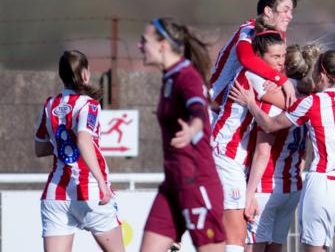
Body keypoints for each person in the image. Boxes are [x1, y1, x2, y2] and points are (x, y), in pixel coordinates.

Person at [229, 50, 335, 252]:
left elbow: (269, 125)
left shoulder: (311, 103)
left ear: (321, 76)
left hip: (324, 183)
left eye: (315, 70)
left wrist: (251, 103)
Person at [137, 17, 225, 252]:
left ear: (162, 45)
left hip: (197, 184)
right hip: (173, 185)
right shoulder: (170, 76)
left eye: (144, 40)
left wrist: (194, 127)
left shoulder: (187, 76)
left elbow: (197, 108)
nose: (139, 46)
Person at [34, 50, 124, 252]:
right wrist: (102, 183)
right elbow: (84, 141)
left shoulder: (50, 105)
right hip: (90, 190)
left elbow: (40, 148)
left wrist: (61, 145)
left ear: (62, 75)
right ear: (85, 74)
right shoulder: (89, 105)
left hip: (56, 194)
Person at [212, 21, 288, 252]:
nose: (281, 62)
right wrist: (291, 85)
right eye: (275, 57)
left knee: (234, 230)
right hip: (225, 153)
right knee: (236, 231)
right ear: (258, 56)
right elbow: (295, 106)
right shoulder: (254, 76)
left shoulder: (264, 77)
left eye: (284, 55)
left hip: (234, 155)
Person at [244, 44, 321, 252]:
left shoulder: (273, 100)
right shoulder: (309, 102)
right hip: (293, 187)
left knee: (254, 247)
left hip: (267, 186)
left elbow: (263, 151)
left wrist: (248, 194)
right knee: (275, 247)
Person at [209, 0, 310, 118]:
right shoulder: (250, 29)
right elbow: (246, 58)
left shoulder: (278, 36)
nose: (290, 16)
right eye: (285, 10)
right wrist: (281, 80)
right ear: (268, 11)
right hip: (214, 107)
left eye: (291, 12)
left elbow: (277, 68)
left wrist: (280, 78)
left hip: (241, 111)